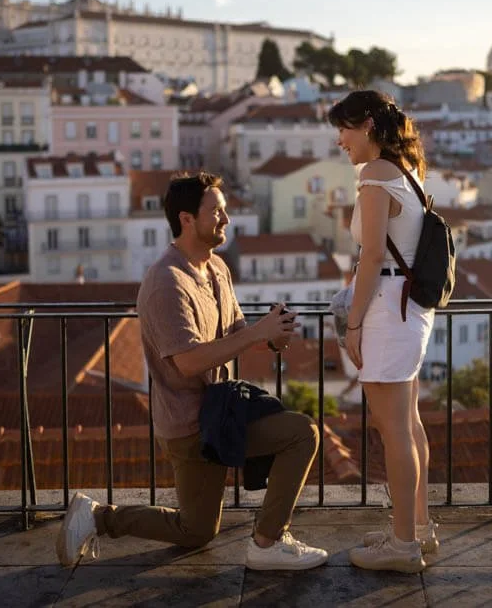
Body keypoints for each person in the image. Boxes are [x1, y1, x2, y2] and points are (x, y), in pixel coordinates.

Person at [56, 172, 329, 571]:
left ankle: (97, 517)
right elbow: (188, 361)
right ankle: (268, 542)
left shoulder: (216, 267)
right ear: (186, 219)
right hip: (189, 424)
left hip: (220, 413)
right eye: (216, 211)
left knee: (197, 530)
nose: (226, 219)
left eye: (225, 210)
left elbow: (234, 329)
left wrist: (270, 336)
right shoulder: (166, 282)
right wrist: (256, 333)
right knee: (302, 434)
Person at [330, 91, 437, 573]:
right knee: (409, 424)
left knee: (394, 430)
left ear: (368, 125)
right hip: (408, 308)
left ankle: (402, 544)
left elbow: (372, 255)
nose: (340, 141)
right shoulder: (407, 172)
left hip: (387, 311)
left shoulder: (375, 175)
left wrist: (352, 324)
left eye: (345, 130)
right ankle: (418, 528)